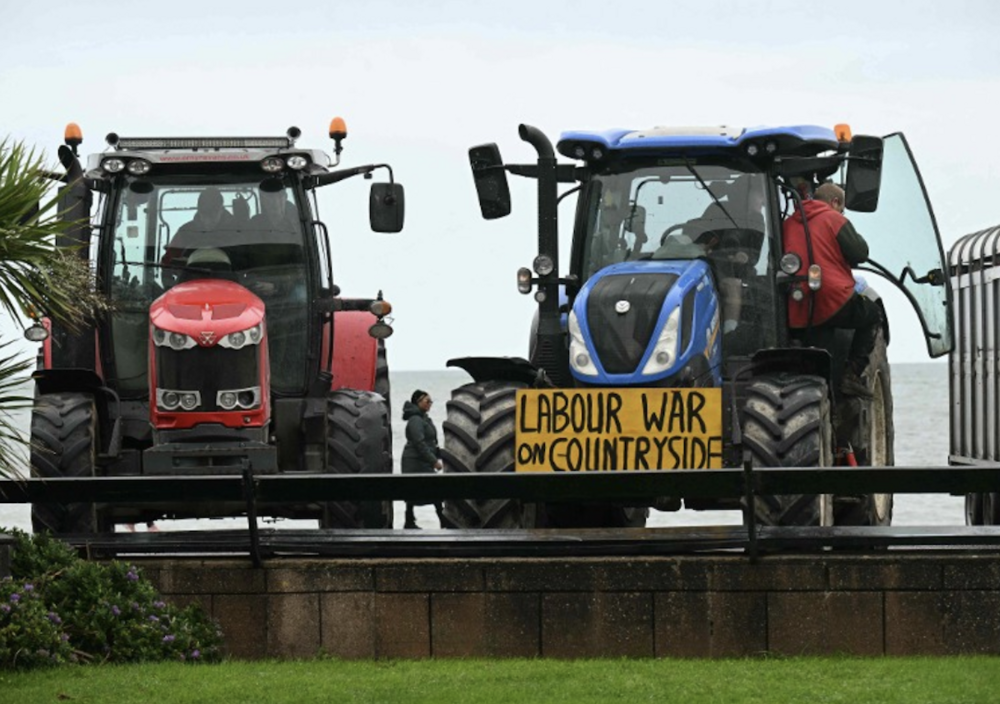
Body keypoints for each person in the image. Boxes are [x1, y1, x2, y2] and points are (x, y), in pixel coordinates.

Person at [782, 182, 881, 398]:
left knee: (820, 339)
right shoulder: (833, 218)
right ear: (835, 202)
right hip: (833, 297)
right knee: (872, 314)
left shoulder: (788, 223)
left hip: (799, 304)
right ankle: (851, 375)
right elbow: (859, 253)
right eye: (842, 208)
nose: (841, 212)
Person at [401, 389, 444, 529]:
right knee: (434, 489)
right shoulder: (415, 420)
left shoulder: (424, 418)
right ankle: (442, 520)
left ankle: (409, 521)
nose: (430, 403)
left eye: (431, 401)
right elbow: (419, 443)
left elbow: (430, 442)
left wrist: (441, 454)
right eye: (427, 401)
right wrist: (434, 461)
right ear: (418, 402)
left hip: (422, 460)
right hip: (414, 461)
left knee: (415, 491)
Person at [162, 187, 236, 266]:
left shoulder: (236, 231)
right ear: (198, 211)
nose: (208, 221)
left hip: (229, 278)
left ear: (221, 210)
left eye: (213, 215)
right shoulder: (185, 233)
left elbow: (247, 263)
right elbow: (167, 263)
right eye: (203, 214)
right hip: (191, 277)